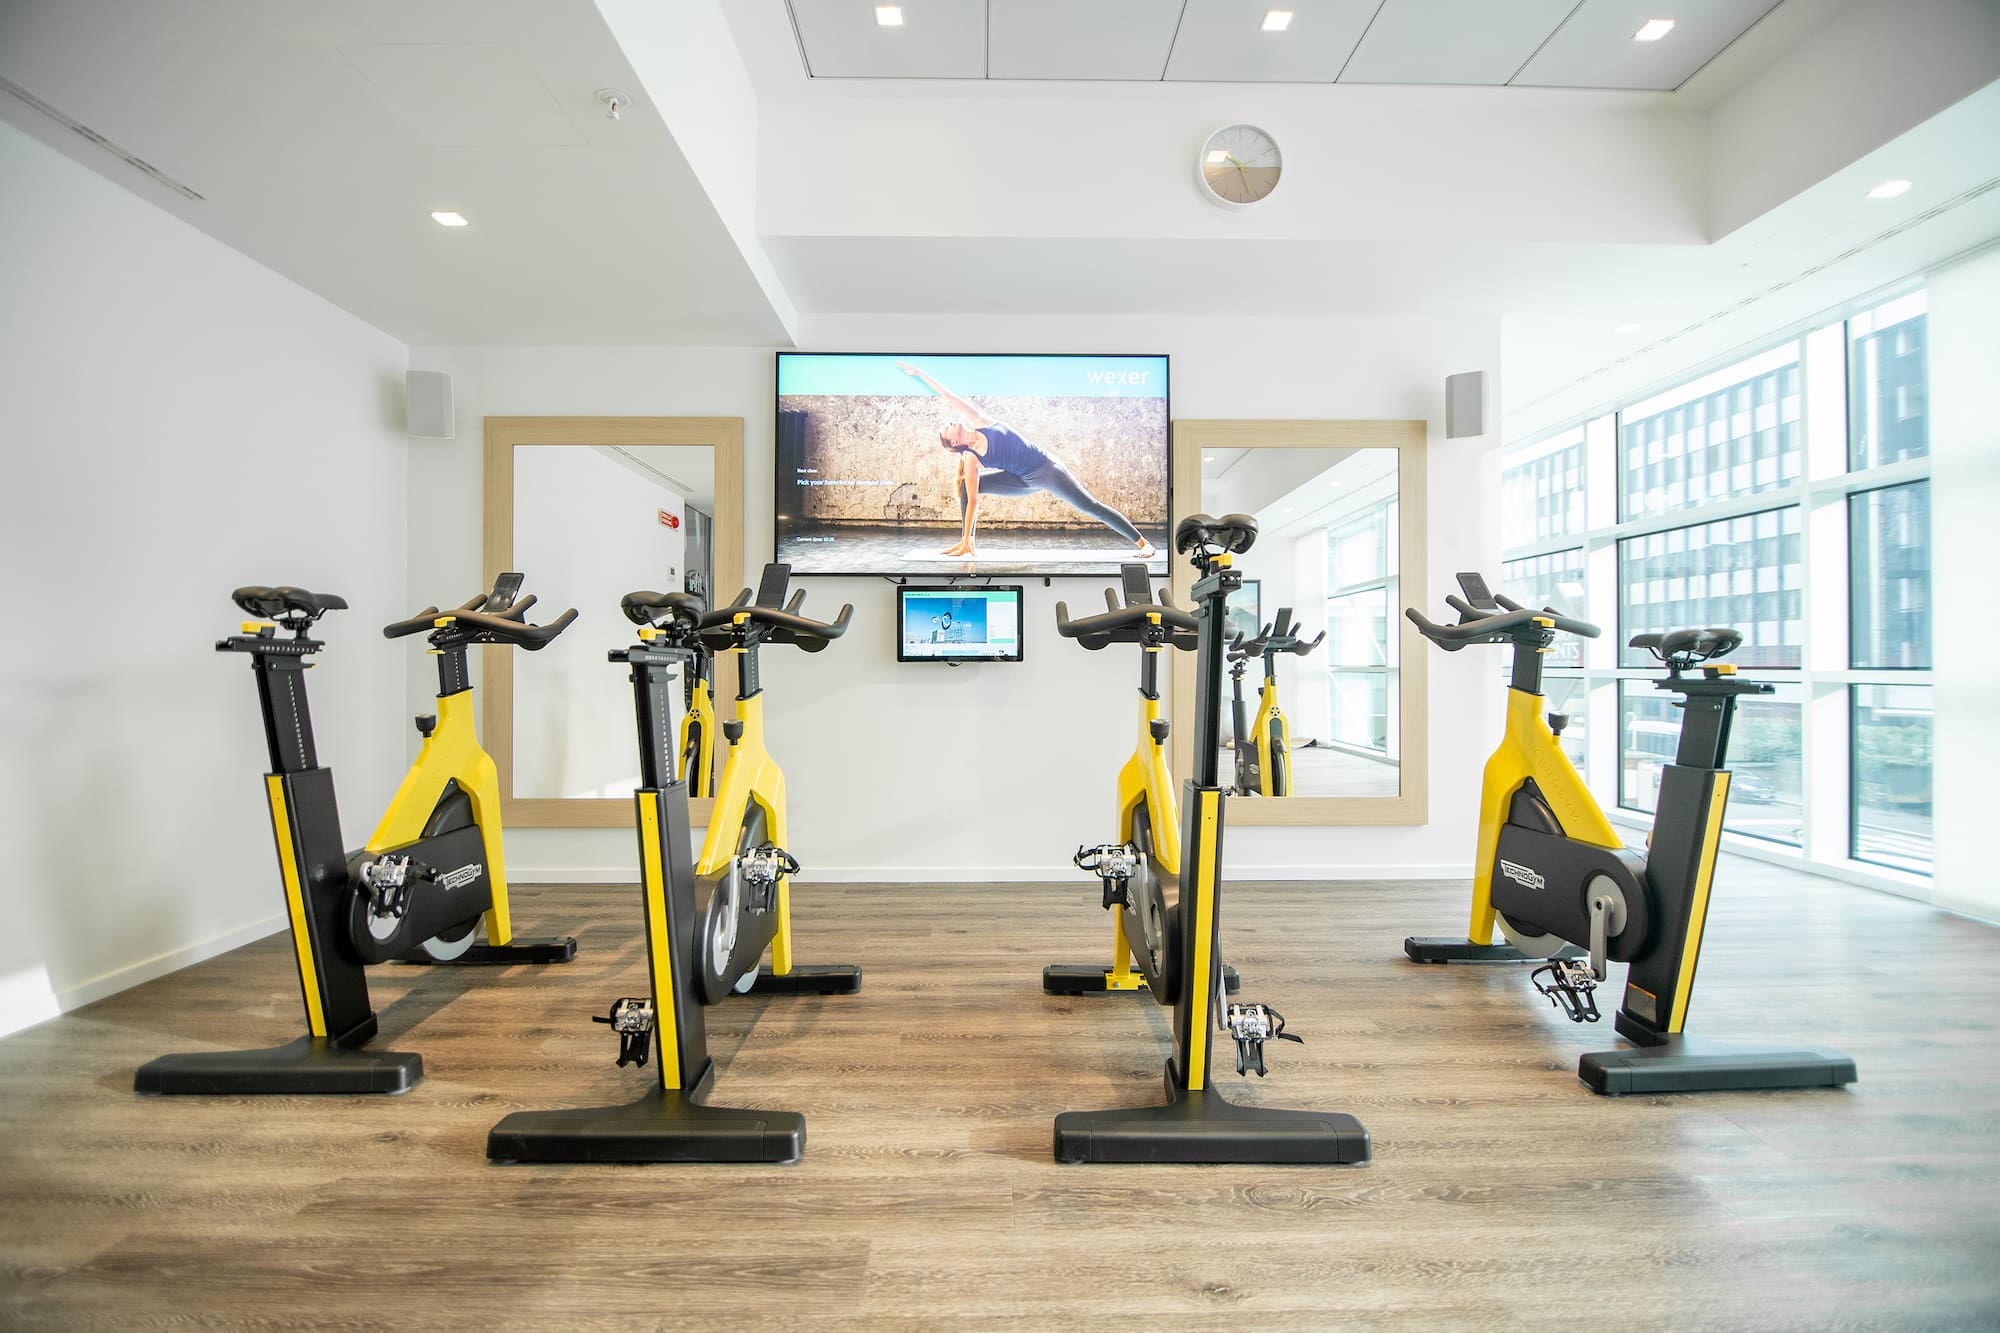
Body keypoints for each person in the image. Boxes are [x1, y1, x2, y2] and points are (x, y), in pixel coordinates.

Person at [897, 361, 1155, 560]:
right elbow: (973, 499)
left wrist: (919, 374)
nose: (949, 423)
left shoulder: (980, 421)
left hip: (1047, 471)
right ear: (953, 443)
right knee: (966, 486)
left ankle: (1144, 543)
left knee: (1090, 506)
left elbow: (948, 397)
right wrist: (967, 536)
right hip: (1021, 482)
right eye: (946, 430)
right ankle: (968, 544)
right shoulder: (971, 458)